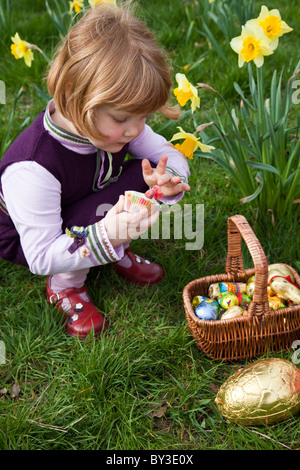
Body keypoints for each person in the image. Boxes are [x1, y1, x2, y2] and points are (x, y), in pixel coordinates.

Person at [0, 1, 190, 338]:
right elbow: (41, 255)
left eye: (144, 117)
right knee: (94, 224)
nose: (136, 130)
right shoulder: (33, 168)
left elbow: (164, 153)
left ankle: (109, 248)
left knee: (140, 174)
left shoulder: (114, 128)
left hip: (81, 203)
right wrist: (108, 233)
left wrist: (169, 178)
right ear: (77, 97)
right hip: (30, 236)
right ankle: (65, 286)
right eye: (122, 119)